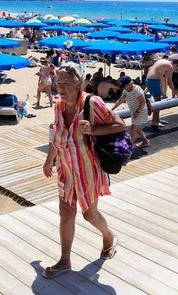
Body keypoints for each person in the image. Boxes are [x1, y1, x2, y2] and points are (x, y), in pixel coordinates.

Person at [42, 63, 124, 279]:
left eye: (66, 83)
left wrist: (94, 129)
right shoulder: (58, 106)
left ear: (79, 84)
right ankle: (65, 260)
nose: (60, 88)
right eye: (58, 83)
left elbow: (120, 125)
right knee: (66, 212)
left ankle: (108, 235)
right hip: (66, 169)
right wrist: (49, 160)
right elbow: (57, 135)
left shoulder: (92, 102)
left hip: (88, 170)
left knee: (89, 214)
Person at [111, 76, 149, 147]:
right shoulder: (126, 90)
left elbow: (143, 102)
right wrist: (111, 109)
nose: (123, 88)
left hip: (140, 111)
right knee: (136, 128)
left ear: (129, 84)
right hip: (134, 111)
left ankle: (129, 148)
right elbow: (120, 100)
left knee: (133, 128)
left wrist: (137, 112)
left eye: (124, 86)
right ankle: (145, 141)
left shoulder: (136, 90)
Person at [145, 56, 178, 131]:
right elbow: (169, 82)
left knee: (158, 102)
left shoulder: (162, 62)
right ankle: (154, 122)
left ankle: (157, 119)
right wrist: (176, 93)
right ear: (174, 64)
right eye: (175, 68)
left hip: (149, 80)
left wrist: (163, 93)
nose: (174, 70)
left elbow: (162, 78)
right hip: (153, 81)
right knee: (158, 103)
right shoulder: (170, 67)